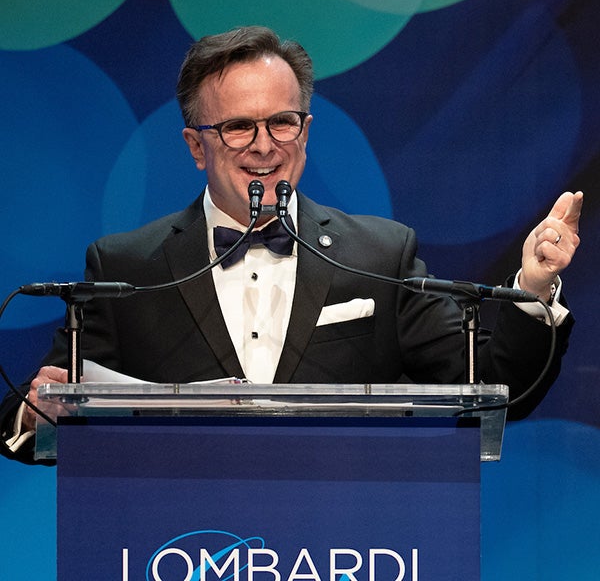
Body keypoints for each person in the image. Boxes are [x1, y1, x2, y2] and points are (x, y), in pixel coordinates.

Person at [0, 26, 583, 465]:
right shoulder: (127, 266)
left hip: (351, 547)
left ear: (305, 132)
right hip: (176, 547)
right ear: (195, 146)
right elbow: (38, 417)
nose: (264, 145)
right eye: (237, 126)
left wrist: (531, 286)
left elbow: (495, 388)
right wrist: (35, 411)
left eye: (283, 122)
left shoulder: (380, 255)